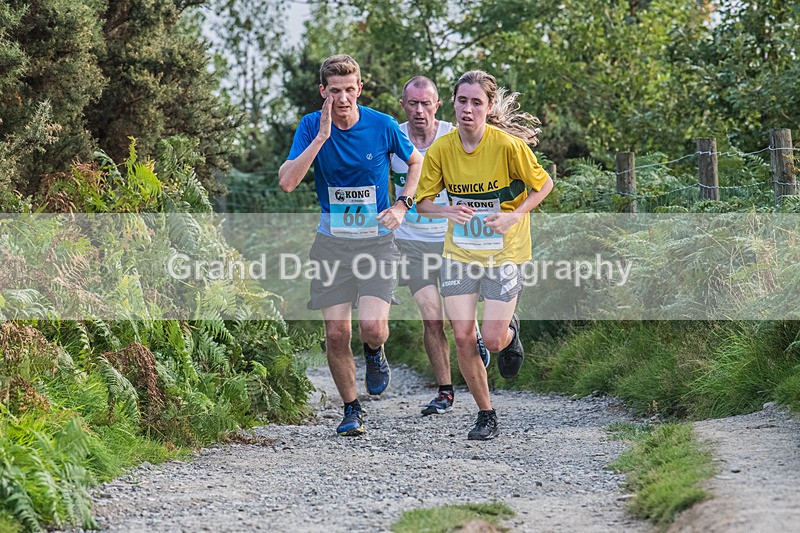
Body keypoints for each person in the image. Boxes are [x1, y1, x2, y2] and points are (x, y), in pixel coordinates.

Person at [279, 54, 423, 436]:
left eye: (349, 90)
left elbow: (416, 162)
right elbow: (287, 182)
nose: (343, 99)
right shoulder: (311, 126)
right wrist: (323, 137)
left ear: (359, 88)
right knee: (337, 334)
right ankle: (351, 408)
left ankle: (375, 353)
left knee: (372, 328)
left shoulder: (383, 125)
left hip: (376, 243)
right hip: (332, 245)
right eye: (335, 91)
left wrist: (402, 205)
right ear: (323, 91)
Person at [415, 70, 554, 440]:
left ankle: (510, 333)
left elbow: (544, 185)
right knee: (462, 335)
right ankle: (486, 413)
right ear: (454, 103)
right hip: (459, 251)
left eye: (477, 102)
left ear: (488, 107)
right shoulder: (442, 149)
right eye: (462, 100)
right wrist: (448, 211)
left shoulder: (507, 146)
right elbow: (423, 204)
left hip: (504, 252)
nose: (468, 109)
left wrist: (514, 215)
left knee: (491, 340)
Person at [389, 76, 489, 417]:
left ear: (437, 105)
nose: (419, 110)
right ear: (403, 105)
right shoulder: (395, 137)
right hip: (412, 243)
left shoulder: (453, 132)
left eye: (426, 103)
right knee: (431, 318)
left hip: (453, 240)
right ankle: (445, 391)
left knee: (460, 318)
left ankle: (484, 337)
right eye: (412, 103)